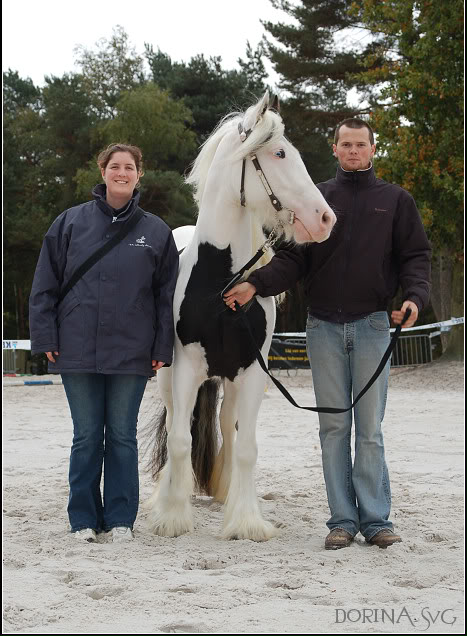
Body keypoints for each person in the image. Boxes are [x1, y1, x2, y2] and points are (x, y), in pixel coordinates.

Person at [224, 118, 431, 550]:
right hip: (322, 328)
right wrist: (255, 284)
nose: (353, 151)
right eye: (346, 144)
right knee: (334, 428)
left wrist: (414, 297)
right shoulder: (317, 198)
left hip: (375, 325)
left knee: (369, 429)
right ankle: (342, 520)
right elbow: (292, 260)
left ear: (373, 150)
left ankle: (376, 521)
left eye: (361, 144)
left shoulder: (396, 200)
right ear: (334, 149)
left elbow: (415, 256)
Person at [29, 143, 179, 543]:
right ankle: (82, 518)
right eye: (115, 166)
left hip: (132, 351)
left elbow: (165, 299)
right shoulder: (68, 223)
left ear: (139, 174)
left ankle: (120, 519)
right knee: (86, 436)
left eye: (129, 167)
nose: (122, 173)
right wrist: (44, 335)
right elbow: (44, 285)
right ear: (103, 171)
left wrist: (162, 348)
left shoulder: (157, 231)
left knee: (123, 436)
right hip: (75, 348)